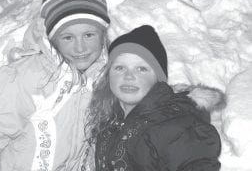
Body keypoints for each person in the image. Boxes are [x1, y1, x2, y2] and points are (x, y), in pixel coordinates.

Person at [0, 0, 110, 171]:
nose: (80, 47)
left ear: (102, 35)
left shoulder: (103, 77)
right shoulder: (25, 78)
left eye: (89, 35)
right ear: (52, 38)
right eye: (68, 37)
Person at [88, 25, 222, 171]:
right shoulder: (110, 120)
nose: (129, 76)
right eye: (120, 68)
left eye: (141, 69)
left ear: (158, 78)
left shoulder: (175, 126)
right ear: (108, 76)